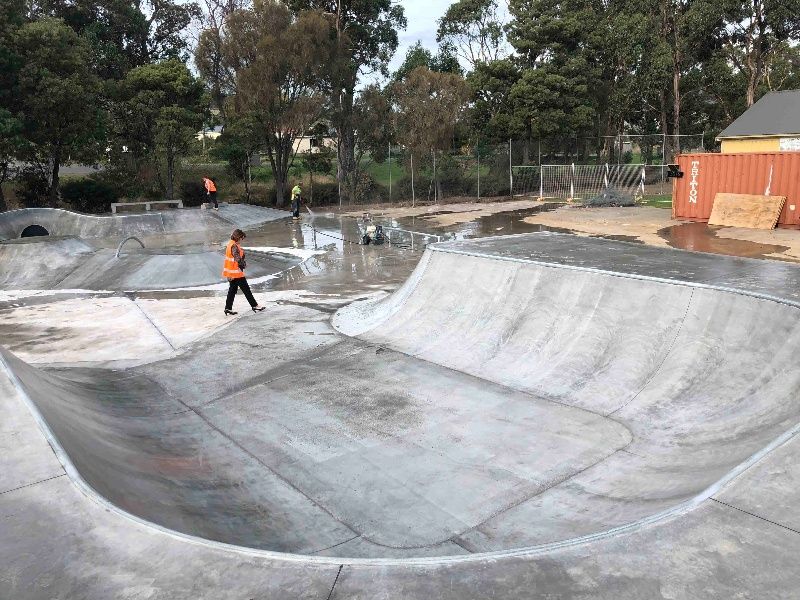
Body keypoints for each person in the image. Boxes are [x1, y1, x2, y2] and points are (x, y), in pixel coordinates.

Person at [222, 229, 266, 315]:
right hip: (236, 273)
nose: (242, 240)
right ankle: (255, 306)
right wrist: (244, 264)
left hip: (231, 273)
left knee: (232, 290)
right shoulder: (234, 246)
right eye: (242, 238)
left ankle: (228, 308)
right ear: (238, 237)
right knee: (246, 290)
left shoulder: (230, 244)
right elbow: (237, 258)